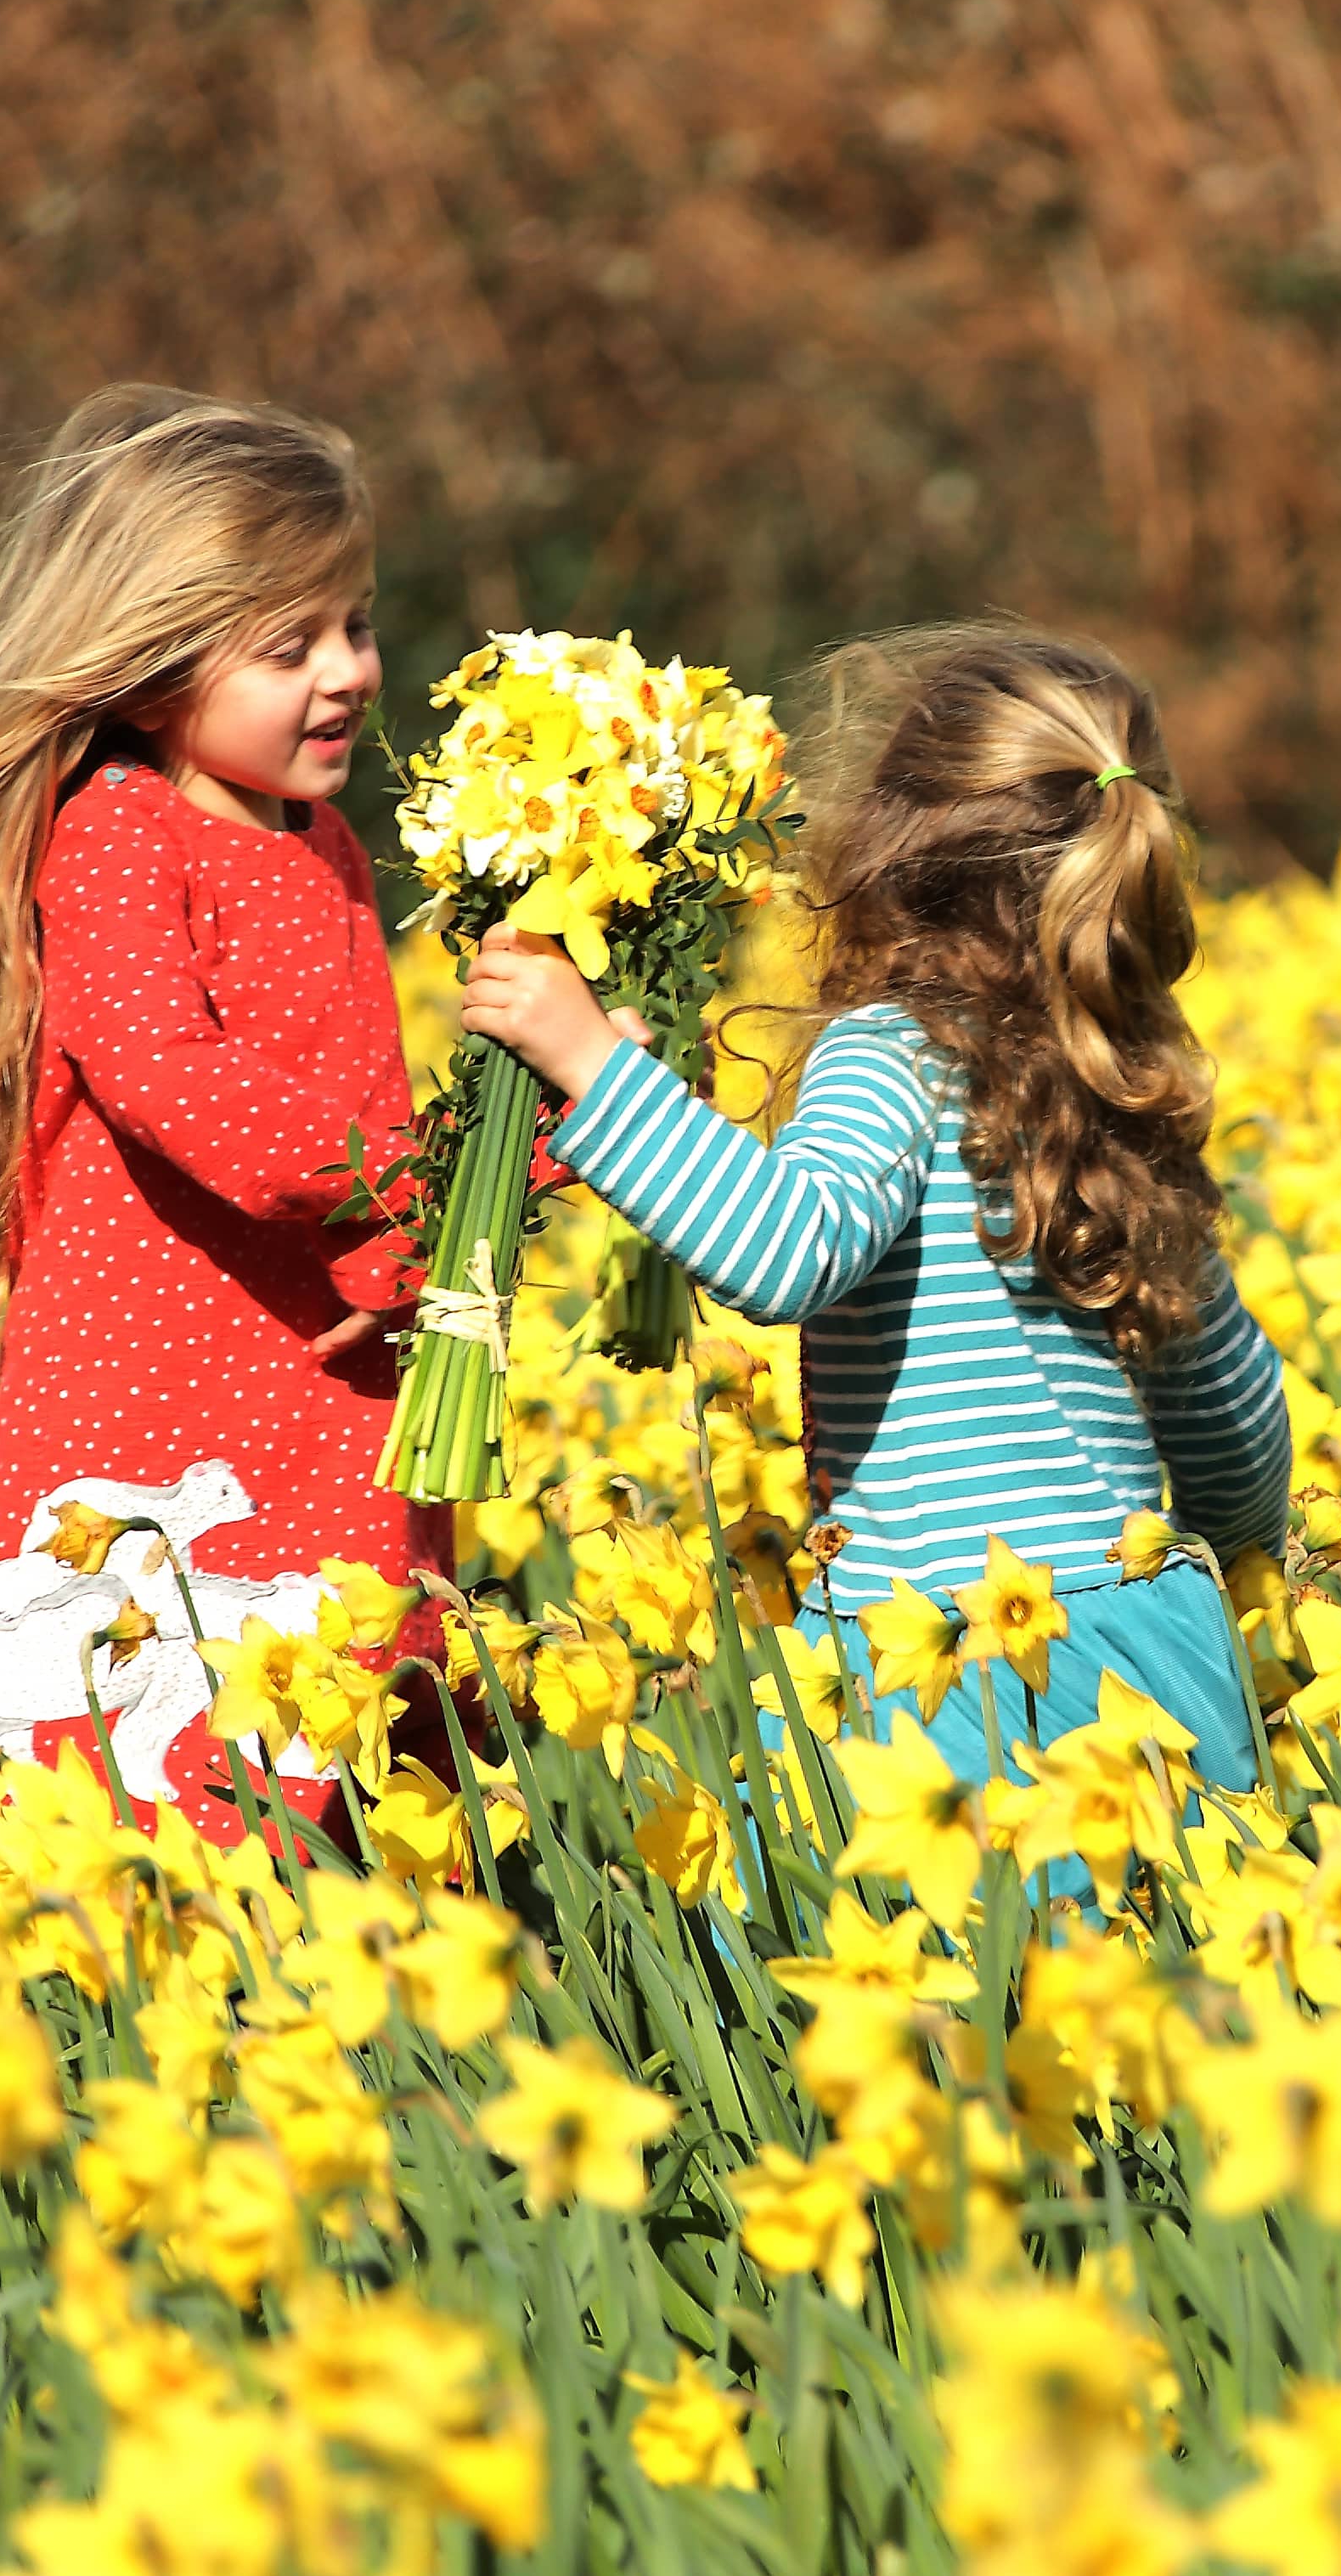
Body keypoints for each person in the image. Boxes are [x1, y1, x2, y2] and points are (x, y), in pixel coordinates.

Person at [0, 383, 442, 1846]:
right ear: (150, 665)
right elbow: (176, 1086)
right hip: (163, 1387)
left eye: (357, 626)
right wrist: (408, 1181)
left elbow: (363, 1087)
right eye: (290, 645)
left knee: (357, 1742)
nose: (348, 674)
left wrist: (454, 1217)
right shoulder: (120, 833)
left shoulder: (329, 845)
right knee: (151, 1769)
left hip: (333, 1373)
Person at [455, 627, 1287, 1791]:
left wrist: (593, 1064)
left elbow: (789, 1250)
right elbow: (1231, 1406)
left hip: (955, 1666)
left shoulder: (893, 1052)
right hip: (1156, 1646)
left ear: (889, 846)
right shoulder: (1125, 1091)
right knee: (1153, 1966)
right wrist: (1235, 1564)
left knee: (973, 1970)